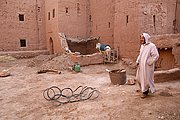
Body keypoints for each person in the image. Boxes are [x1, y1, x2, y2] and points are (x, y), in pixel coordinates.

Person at [135, 33, 159, 98]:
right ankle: (144, 89)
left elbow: (156, 55)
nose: (141, 39)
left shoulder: (152, 46)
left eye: (142, 38)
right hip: (141, 66)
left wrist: (149, 62)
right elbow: (140, 54)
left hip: (147, 67)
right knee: (139, 78)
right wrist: (137, 61)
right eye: (141, 38)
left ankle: (145, 92)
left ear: (146, 38)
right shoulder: (142, 46)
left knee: (146, 79)